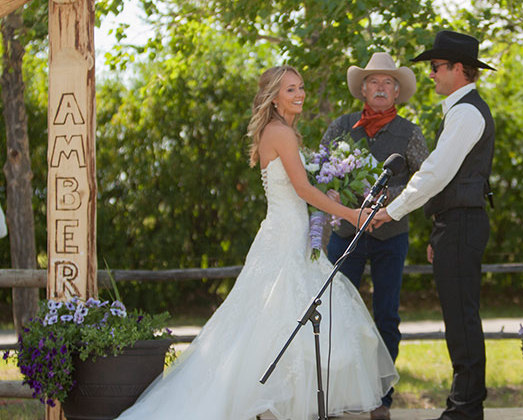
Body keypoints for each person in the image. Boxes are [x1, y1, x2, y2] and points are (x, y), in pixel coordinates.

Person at [117, 66, 398, 420]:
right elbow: (302, 190)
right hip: (284, 237)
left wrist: (333, 188)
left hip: (290, 232)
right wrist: (352, 213)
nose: (299, 94)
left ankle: (282, 405)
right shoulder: (281, 133)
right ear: (274, 97)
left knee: (283, 316)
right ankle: (263, 402)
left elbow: (304, 187)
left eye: (301, 87)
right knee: (275, 317)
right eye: (290, 89)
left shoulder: (281, 131)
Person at [373, 31, 496, 420]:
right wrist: (437, 227)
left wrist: (392, 210)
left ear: (459, 69)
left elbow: (435, 174)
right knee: (459, 317)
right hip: (455, 224)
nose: (431, 75)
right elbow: (450, 178)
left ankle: (465, 408)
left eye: (436, 67)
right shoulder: (461, 111)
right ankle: (465, 404)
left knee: (461, 319)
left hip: (462, 225)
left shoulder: (465, 113)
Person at [321, 52, 429, 420]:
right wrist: (333, 195)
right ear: (362, 89)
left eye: (388, 83)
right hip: (344, 234)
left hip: (391, 235)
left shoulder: (411, 133)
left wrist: (390, 208)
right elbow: (321, 171)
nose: (380, 88)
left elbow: (425, 181)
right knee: (335, 313)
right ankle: (336, 393)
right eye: (374, 82)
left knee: (387, 316)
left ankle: (381, 399)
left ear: (397, 93)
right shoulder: (340, 127)